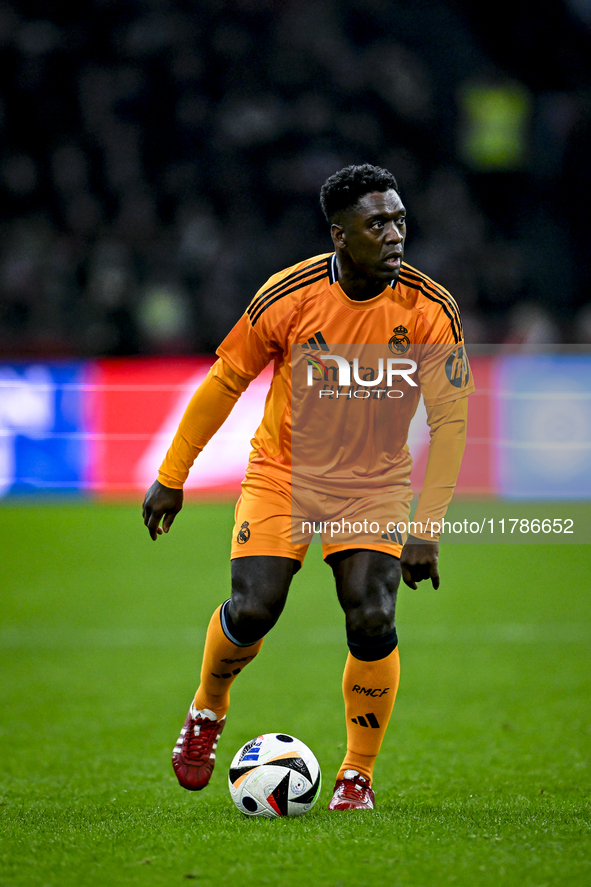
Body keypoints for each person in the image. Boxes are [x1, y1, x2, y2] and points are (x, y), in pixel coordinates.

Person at [142, 164, 474, 811]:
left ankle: (356, 774)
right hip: (284, 473)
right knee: (253, 608)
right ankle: (208, 709)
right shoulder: (287, 296)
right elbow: (223, 381)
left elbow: (451, 420)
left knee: (373, 613)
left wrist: (426, 527)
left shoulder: (431, 308)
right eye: (377, 222)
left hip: (373, 483)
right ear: (339, 233)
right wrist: (170, 475)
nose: (395, 233)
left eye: (399, 218)